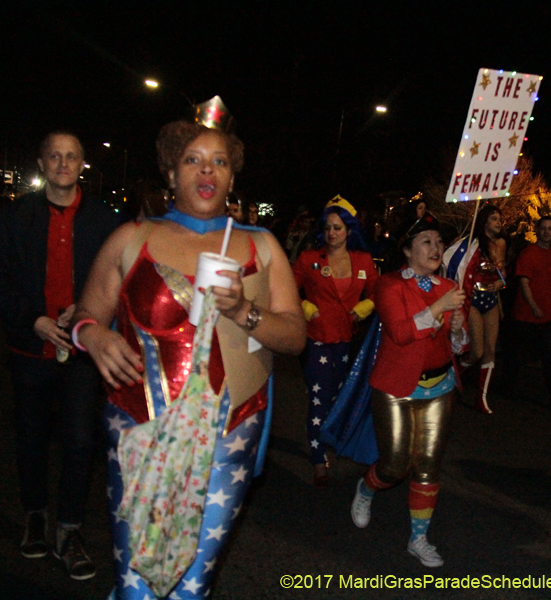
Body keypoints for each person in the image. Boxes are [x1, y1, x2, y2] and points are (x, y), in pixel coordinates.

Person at [71, 111, 304, 598]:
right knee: (136, 580)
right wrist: (92, 336)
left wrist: (244, 309)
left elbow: (295, 337)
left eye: (219, 162)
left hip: (229, 427)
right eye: (193, 160)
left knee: (191, 584)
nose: (206, 172)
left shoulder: (261, 246)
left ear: (232, 176)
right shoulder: (131, 237)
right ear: (171, 171)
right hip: (138, 422)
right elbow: (84, 315)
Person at [0, 131, 119, 580]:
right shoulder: (17, 216)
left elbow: (123, 277)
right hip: (29, 347)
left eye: (71, 156)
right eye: (54, 156)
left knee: (80, 442)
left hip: (82, 351)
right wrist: (33, 320)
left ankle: (69, 529)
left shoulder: (103, 220)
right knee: (31, 437)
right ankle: (35, 516)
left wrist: (92, 311)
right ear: (41, 163)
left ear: (82, 164)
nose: (63, 163)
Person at [349, 212, 468, 568]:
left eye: (439, 242)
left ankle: (419, 538)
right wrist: (439, 308)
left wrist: (459, 330)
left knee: (429, 466)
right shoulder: (388, 285)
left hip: (440, 386)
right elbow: (400, 333)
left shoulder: (450, 288)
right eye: (427, 241)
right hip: (397, 387)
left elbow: (460, 349)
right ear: (407, 250)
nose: (437, 248)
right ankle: (366, 489)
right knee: (395, 464)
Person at [292, 196, 378, 487]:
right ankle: (318, 460)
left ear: (349, 230)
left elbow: (380, 294)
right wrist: (305, 307)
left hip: (348, 342)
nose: (332, 233)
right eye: (328, 227)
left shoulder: (364, 261)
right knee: (319, 399)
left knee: (341, 397)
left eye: (338, 228)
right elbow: (287, 290)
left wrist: (364, 308)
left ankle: (333, 443)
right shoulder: (309, 259)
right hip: (316, 339)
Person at [443, 204, 506, 413]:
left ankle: (482, 399)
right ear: (485, 222)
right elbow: (454, 263)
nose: (499, 223)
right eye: (494, 219)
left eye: (500, 219)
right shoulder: (471, 243)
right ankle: (450, 380)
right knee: (477, 351)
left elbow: (502, 272)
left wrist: (501, 282)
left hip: (491, 301)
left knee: (490, 351)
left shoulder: (501, 244)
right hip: (473, 301)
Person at [505, 215, 551, 410]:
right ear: (537, 230)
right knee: (515, 355)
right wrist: (533, 305)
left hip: (547, 317)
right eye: (543, 228)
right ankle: (507, 389)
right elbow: (524, 282)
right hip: (524, 315)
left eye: (550, 229)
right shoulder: (528, 253)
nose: (547, 232)